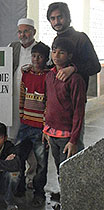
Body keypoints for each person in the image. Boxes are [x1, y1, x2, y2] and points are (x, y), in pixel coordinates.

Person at [46, 2, 101, 151]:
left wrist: (73, 68)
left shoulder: (81, 38)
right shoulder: (56, 40)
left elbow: (95, 66)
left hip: (75, 101)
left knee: (74, 144)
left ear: (68, 17)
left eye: (60, 17)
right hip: (58, 103)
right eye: (52, 18)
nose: (56, 22)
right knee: (61, 148)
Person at [43, 37, 86, 179]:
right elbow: (48, 103)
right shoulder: (49, 75)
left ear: (70, 56)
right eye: (54, 51)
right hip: (52, 134)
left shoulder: (75, 80)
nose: (56, 56)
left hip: (67, 136)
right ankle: (64, 200)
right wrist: (46, 129)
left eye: (61, 53)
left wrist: (74, 140)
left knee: (70, 174)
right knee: (60, 171)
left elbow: (78, 112)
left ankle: (73, 202)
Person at [15, 42, 50, 207]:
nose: (36, 59)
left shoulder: (49, 76)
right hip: (25, 125)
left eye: (40, 57)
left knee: (41, 164)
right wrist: (22, 115)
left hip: (41, 128)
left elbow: (49, 102)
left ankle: (39, 193)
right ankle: (19, 187)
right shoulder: (26, 74)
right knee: (18, 157)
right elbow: (22, 95)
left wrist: (46, 125)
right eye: (34, 56)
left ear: (46, 59)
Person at [8, 17, 38, 193]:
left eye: (26, 31)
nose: (22, 35)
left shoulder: (42, 49)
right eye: (20, 31)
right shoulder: (13, 47)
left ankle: (32, 178)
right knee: (15, 140)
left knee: (32, 142)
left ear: (33, 32)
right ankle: (15, 177)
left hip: (33, 103)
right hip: (13, 102)